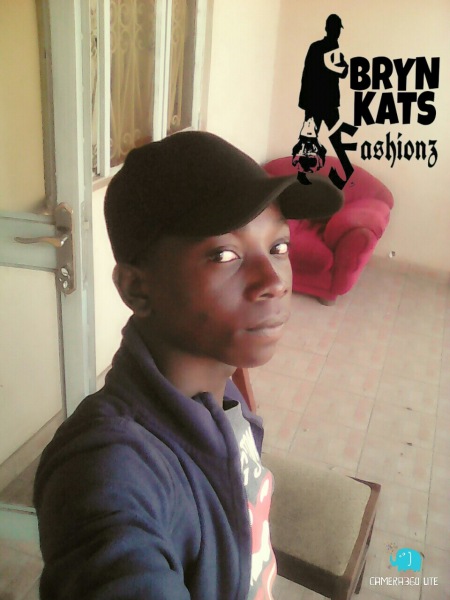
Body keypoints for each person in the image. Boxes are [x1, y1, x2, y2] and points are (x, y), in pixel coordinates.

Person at [33, 131, 342, 599]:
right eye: (224, 255)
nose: (273, 281)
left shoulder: (221, 390)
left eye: (278, 248)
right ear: (137, 289)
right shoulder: (106, 468)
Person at [298, 14, 348, 133]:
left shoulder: (316, 47)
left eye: (338, 29)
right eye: (336, 29)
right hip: (326, 103)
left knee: (311, 137)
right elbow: (343, 72)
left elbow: (306, 75)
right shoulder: (330, 50)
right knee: (333, 138)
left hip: (316, 103)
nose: (338, 32)